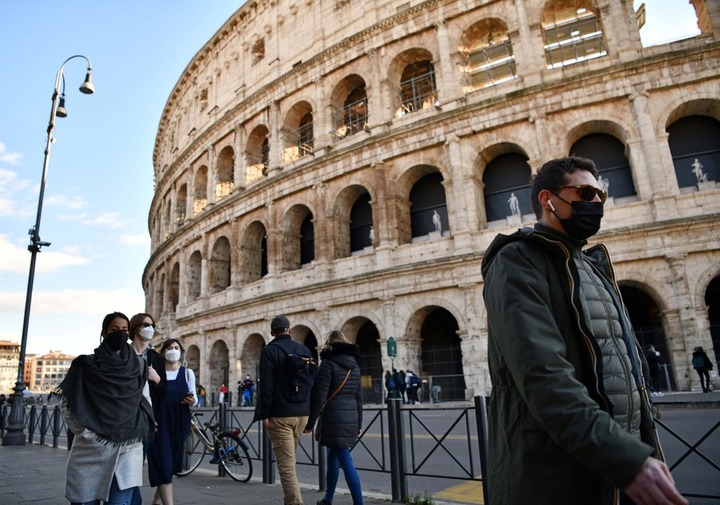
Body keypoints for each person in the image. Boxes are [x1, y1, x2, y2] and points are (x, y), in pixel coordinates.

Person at [481, 156, 687, 505]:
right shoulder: (516, 261)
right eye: (585, 193)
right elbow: (544, 376)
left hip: (614, 461)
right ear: (548, 199)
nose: (597, 203)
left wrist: (638, 444)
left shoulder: (592, 266)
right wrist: (625, 458)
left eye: (600, 195)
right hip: (556, 473)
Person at [57, 311, 154, 505]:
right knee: (86, 501)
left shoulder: (138, 365)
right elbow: (67, 403)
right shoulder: (86, 364)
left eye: (124, 330)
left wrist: (142, 426)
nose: (120, 334)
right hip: (92, 448)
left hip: (128, 447)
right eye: (115, 329)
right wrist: (85, 432)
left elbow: (144, 399)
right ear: (104, 332)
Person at [253, 315, 314, 505]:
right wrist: (311, 415)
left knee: (286, 466)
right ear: (290, 330)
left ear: (272, 333)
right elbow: (312, 382)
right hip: (302, 413)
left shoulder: (269, 351)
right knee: (289, 461)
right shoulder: (304, 349)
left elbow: (266, 386)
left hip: (280, 415)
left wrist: (265, 414)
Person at [304, 330, 364, 505]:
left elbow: (319, 396)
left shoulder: (328, 364)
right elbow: (358, 397)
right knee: (333, 456)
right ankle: (328, 498)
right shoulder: (354, 365)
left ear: (329, 344)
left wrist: (310, 423)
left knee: (345, 460)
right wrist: (359, 423)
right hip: (351, 415)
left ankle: (359, 503)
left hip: (333, 416)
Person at [147, 338, 198, 505]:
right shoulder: (155, 373)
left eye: (176, 348)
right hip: (159, 421)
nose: (173, 351)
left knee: (170, 464)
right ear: (163, 352)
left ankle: (155, 501)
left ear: (181, 351)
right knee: (163, 461)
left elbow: (195, 398)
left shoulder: (187, 373)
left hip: (180, 421)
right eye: (169, 348)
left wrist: (191, 400)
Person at [128, 312, 166, 505]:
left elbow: (164, 391)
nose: (150, 329)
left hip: (145, 419)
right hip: (124, 417)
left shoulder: (156, 358)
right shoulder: (123, 354)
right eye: (146, 325)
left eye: (152, 325)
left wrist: (157, 379)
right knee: (124, 468)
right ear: (136, 328)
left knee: (134, 467)